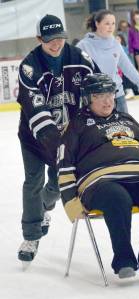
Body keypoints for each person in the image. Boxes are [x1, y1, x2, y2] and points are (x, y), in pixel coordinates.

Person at [57, 73, 139, 279]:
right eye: (100, 95)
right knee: (118, 198)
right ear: (87, 98)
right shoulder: (76, 125)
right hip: (101, 183)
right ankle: (124, 260)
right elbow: (64, 167)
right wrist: (70, 203)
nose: (108, 100)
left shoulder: (128, 120)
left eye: (110, 94)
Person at [17, 14, 100, 263]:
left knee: (56, 184)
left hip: (68, 136)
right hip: (34, 137)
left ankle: (42, 208)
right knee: (33, 181)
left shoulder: (79, 59)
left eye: (60, 38)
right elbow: (34, 107)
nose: (56, 44)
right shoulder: (29, 66)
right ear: (40, 39)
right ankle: (31, 236)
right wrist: (58, 144)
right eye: (50, 40)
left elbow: (95, 89)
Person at [76, 9, 139, 113]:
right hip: (95, 99)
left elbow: (129, 69)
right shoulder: (84, 45)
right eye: (107, 23)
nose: (111, 27)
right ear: (97, 24)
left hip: (117, 96)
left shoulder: (115, 45)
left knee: (124, 128)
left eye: (113, 23)